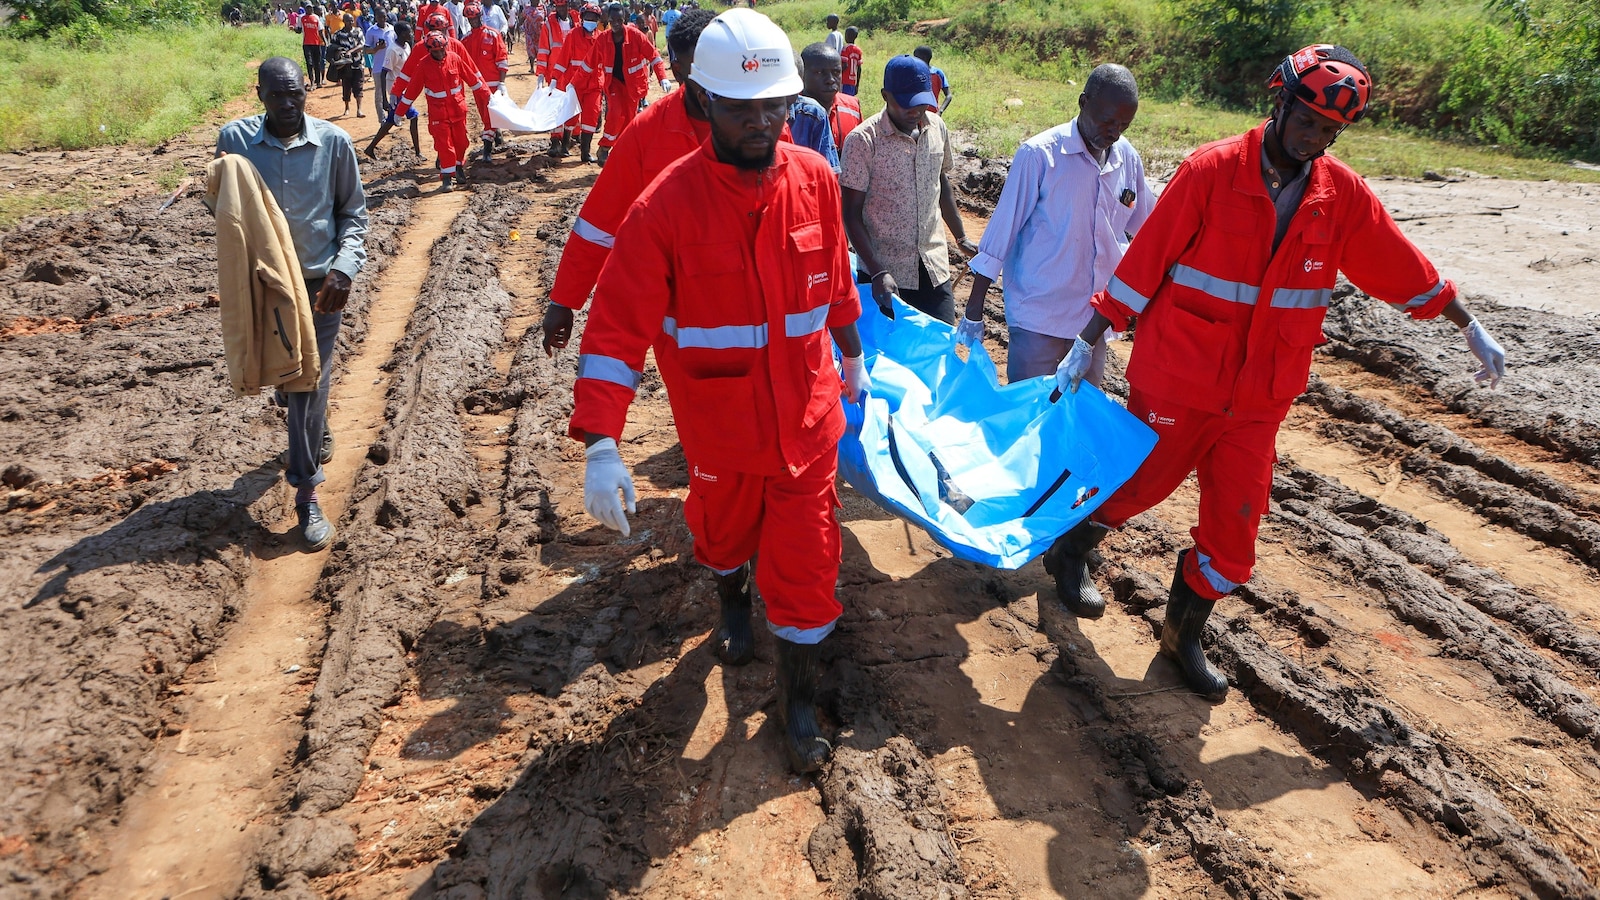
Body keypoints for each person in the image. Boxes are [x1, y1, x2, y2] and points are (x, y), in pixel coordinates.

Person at [1052, 45, 1509, 700]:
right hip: (1182, 374)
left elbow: (1397, 262)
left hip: (1260, 395)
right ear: (1281, 103)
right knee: (1139, 486)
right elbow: (1145, 260)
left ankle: (1180, 639)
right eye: (1307, 120)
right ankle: (1071, 549)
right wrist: (1087, 339)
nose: (1313, 137)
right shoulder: (1211, 171)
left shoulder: (1340, 196)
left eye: (1328, 130)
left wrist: (1465, 322)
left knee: (1235, 533)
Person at [572, 9, 866, 774]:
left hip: (807, 422)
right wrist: (602, 443)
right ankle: (732, 597)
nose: (762, 123)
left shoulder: (815, 181)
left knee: (807, 567)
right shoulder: (664, 207)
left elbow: (836, 283)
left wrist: (853, 358)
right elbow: (616, 330)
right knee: (721, 536)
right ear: (704, 100)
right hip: (721, 429)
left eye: (775, 105)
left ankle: (796, 705)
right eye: (742, 109)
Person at [216, 57, 368, 550]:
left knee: (307, 383)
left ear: (307, 89)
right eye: (276, 95)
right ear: (259, 94)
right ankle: (311, 421)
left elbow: (353, 215)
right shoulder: (235, 142)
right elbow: (223, 206)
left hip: (321, 285)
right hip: (264, 286)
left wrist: (344, 269)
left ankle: (306, 492)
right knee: (286, 377)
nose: (287, 104)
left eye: (294, 93)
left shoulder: (334, 143)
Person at [958, 64, 1150, 388]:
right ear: (1083, 102)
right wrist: (974, 308)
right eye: (1107, 121)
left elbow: (1149, 228)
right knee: (1030, 410)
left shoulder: (1127, 158)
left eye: (1123, 125)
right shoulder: (1040, 156)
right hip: (1039, 318)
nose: (1114, 132)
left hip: (1092, 326)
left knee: (1077, 413)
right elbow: (1000, 233)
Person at [539, 7, 716, 351]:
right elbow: (599, 222)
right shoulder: (647, 134)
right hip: (681, 314)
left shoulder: (762, 128)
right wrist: (564, 299)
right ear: (680, 69)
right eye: (704, 67)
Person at [840, 54, 976, 324]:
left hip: (933, 266)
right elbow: (851, 214)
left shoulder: (937, 128)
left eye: (922, 103)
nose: (915, 112)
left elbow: (941, 183)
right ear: (885, 96)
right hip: (886, 276)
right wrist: (877, 272)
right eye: (906, 104)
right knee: (889, 350)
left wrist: (961, 238)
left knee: (940, 342)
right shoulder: (863, 141)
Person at [391, 29, 494, 190]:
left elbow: (473, 80)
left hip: (458, 110)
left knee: (461, 142)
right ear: (429, 50)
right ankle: (447, 178)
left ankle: (458, 168)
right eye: (435, 51)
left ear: (446, 46)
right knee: (444, 145)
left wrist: (488, 96)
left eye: (441, 50)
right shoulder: (423, 65)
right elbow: (412, 91)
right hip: (438, 113)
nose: (439, 54)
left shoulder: (455, 59)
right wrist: (399, 111)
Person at [586, 1, 669, 165]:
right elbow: (588, 64)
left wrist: (663, 77)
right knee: (615, 113)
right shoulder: (603, 39)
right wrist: (573, 85)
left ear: (624, 19)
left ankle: (622, 152)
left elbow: (654, 56)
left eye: (619, 20)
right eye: (613, 20)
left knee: (629, 120)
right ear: (608, 20)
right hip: (614, 84)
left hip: (632, 87)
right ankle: (604, 147)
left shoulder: (636, 36)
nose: (616, 24)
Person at [549, 2, 606, 161]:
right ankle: (565, 145)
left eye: (593, 18)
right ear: (582, 18)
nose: (590, 21)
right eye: (587, 18)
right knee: (571, 116)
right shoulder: (573, 35)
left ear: (598, 20)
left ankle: (585, 153)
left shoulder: (601, 38)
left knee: (591, 117)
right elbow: (563, 60)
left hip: (594, 85)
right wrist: (554, 79)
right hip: (574, 85)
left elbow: (607, 63)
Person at [461, 1, 510, 161]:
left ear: (480, 16)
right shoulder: (466, 40)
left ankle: (487, 150)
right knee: (484, 115)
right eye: (470, 19)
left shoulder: (493, 35)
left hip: (493, 85)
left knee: (489, 117)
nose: (472, 21)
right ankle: (496, 134)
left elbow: (502, 58)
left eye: (474, 18)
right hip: (477, 86)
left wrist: (502, 83)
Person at [366, 23, 424, 156]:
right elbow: (383, 73)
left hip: (404, 88)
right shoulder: (392, 50)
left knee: (391, 120)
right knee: (413, 116)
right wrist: (385, 99)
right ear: (402, 34)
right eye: (409, 32)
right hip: (395, 90)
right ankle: (418, 152)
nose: (411, 34)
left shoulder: (407, 46)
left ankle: (370, 148)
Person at [799, 41, 859, 153]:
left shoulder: (853, 107)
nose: (830, 80)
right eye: (819, 72)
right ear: (802, 74)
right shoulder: (789, 113)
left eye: (836, 72)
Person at [329, 13, 369, 117]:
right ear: (344, 21)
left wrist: (350, 51)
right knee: (346, 87)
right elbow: (332, 47)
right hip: (345, 66)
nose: (351, 22)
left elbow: (361, 45)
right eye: (348, 21)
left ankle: (359, 110)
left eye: (352, 20)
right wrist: (340, 53)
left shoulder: (358, 31)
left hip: (358, 63)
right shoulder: (338, 34)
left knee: (358, 86)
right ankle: (347, 108)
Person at [364, 7, 396, 113]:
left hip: (392, 66)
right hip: (379, 67)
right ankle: (381, 118)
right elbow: (366, 50)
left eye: (384, 16)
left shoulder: (392, 29)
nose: (382, 19)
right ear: (375, 17)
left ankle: (394, 115)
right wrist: (376, 48)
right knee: (379, 94)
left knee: (394, 92)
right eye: (379, 17)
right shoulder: (371, 31)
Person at [536, 0, 575, 85]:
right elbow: (543, 50)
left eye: (563, 6)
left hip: (573, 74)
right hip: (555, 73)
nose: (561, 9)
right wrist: (541, 73)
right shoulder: (549, 25)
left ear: (568, 6)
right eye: (558, 6)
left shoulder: (576, 23)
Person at [911, 45, 950, 113]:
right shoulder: (912, 72)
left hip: (932, 114)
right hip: (915, 114)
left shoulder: (937, 73)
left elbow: (948, 95)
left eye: (915, 57)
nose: (913, 60)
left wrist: (940, 111)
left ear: (924, 58)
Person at [299, 5, 327, 89]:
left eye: (310, 8)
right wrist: (294, 29)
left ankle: (318, 82)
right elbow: (299, 29)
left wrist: (325, 41)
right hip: (306, 44)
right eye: (307, 8)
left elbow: (320, 31)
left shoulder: (316, 18)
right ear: (305, 9)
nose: (309, 9)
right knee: (309, 63)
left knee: (317, 63)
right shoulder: (302, 18)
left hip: (316, 43)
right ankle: (311, 82)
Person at [520, 0, 543, 70]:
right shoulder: (527, 8)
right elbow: (522, 17)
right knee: (531, 49)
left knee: (540, 50)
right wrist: (519, 25)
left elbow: (546, 18)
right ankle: (532, 67)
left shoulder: (542, 8)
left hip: (540, 33)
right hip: (529, 33)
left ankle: (539, 67)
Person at [839, 25, 860, 96]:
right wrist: (857, 85)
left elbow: (845, 65)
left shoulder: (845, 49)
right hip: (853, 81)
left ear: (847, 36)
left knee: (842, 99)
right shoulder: (858, 50)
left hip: (844, 80)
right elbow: (859, 69)